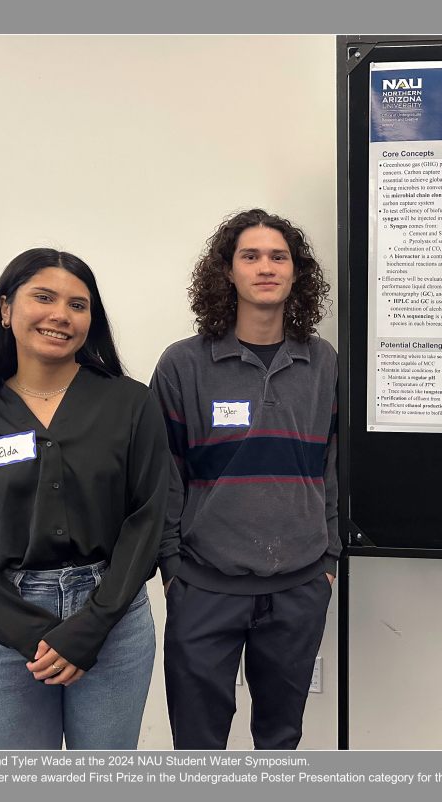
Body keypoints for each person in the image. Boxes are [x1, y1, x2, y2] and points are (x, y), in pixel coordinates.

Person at [0, 248, 170, 749]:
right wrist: (29, 634)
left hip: (113, 619)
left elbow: (148, 518)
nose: (61, 314)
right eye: (43, 297)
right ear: (5, 309)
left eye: (78, 305)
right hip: (2, 627)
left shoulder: (130, 403)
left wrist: (92, 625)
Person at [151, 208, 339, 749]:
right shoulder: (183, 365)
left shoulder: (323, 363)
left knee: (280, 741)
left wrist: (329, 561)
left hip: (299, 586)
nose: (265, 267)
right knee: (198, 744)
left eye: (278, 256)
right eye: (250, 256)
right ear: (227, 271)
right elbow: (164, 475)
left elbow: (333, 466)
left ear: (296, 272)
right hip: (204, 587)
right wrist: (172, 569)